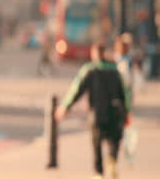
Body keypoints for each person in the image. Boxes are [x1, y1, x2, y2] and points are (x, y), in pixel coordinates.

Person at [55, 43, 132, 179]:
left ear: (94, 54)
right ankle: (112, 160)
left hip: (97, 114)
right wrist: (127, 112)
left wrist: (65, 107)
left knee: (96, 145)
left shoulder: (89, 70)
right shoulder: (115, 70)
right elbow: (125, 93)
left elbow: (76, 90)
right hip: (116, 113)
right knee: (114, 141)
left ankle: (99, 173)